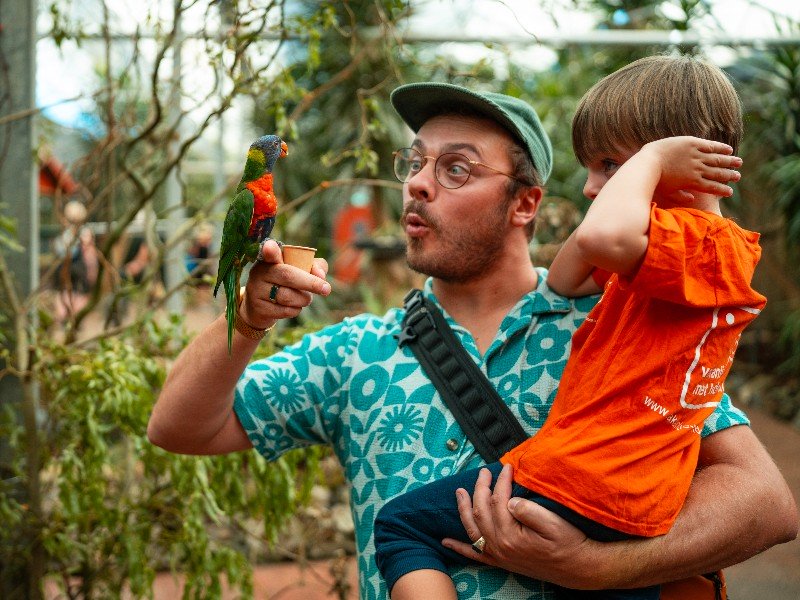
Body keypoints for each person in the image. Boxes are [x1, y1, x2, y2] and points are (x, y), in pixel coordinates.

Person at [147, 77, 798, 600]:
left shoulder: (615, 320)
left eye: (457, 169)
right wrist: (248, 323)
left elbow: (765, 506)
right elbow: (179, 429)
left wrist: (598, 567)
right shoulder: (355, 352)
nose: (418, 182)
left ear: (525, 203)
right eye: (416, 161)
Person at [373, 55, 766, 600]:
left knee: (400, 527)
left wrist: (649, 161)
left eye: (609, 166)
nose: (589, 189)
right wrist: (637, 177)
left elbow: (597, 244)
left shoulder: (702, 248)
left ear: (685, 161)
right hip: (633, 499)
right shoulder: (663, 254)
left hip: (583, 478)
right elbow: (564, 280)